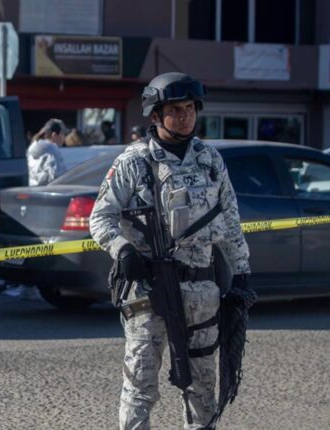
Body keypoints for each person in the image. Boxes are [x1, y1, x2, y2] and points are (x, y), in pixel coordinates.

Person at [89, 72, 251, 430]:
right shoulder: (134, 162)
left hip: (202, 293)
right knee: (140, 389)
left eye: (190, 108)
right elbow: (100, 218)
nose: (185, 117)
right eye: (176, 110)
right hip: (149, 295)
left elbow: (230, 220)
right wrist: (122, 250)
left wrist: (241, 272)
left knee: (202, 389)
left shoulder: (209, 161)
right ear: (155, 115)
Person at [27, 118, 68, 186]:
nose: (64, 138)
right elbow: (59, 176)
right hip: (49, 191)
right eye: (63, 134)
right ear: (54, 135)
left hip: (32, 190)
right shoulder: (52, 149)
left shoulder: (32, 147)